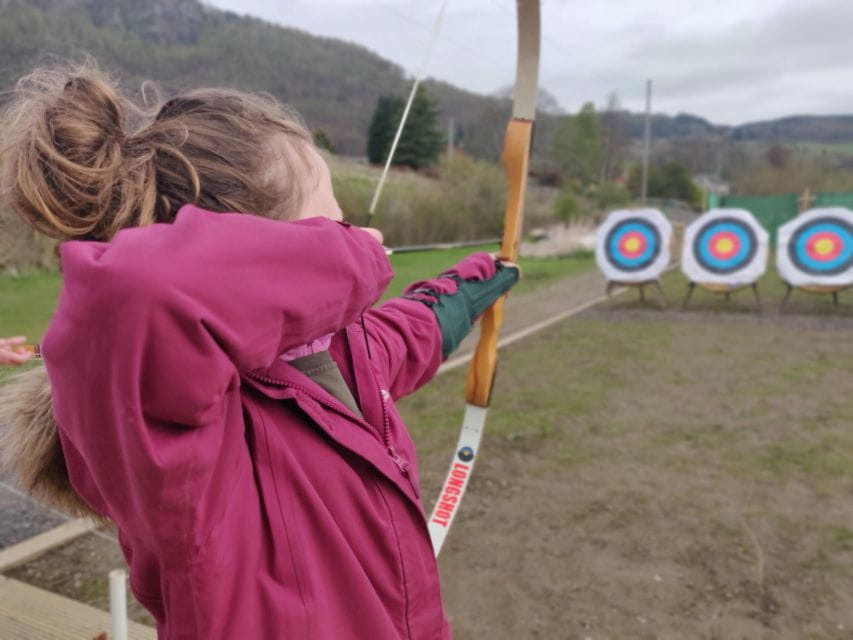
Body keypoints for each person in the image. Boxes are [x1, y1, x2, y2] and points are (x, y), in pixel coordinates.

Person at [0, 64, 519, 639]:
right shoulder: (174, 427)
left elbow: (402, 335)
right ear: (256, 250)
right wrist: (356, 260)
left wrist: (465, 290)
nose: (352, 232)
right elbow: (137, 293)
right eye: (331, 225)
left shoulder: (326, 349)